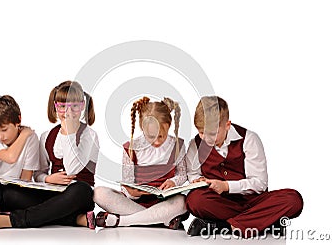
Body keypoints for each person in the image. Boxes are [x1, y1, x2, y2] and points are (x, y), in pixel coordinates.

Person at [0, 80, 99, 230]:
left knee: (81, 189)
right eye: (62, 107)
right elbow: (39, 174)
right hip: (53, 195)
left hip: (77, 197)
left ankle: (14, 220)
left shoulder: (89, 135)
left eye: (74, 106)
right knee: (9, 194)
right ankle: (74, 219)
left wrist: (69, 132)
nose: (68, 112)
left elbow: (72, 169)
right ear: (55, 107)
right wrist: (48, 178)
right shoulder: (47, 136)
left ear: (82, 106)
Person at [185, 96, 303, 238]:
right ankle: (264, 222)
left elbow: (260, 183)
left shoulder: (249, 139)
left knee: (293, 200)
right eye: (201, 132)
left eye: (212, 133)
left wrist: (227, 186)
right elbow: (193, 174)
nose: (206, 138)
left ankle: (224, 226)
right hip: (221, 202)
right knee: (195, 200)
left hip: (252, 201)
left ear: (227, 125)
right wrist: (198, 180)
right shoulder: (195, 144)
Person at [94, 96, 188, 230]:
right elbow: (127, 184)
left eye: (161, 136)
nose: (156, 142)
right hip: (135, 203)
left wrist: (173, 182)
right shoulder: (132, 148)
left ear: (169, 126)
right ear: (142, 128)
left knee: (183, 202)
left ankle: (122, 221)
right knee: (99, 193)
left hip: (164, 202)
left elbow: (182, 174)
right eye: (151, 137)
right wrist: (133, 192)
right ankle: (159, 220)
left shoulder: (177, 145)